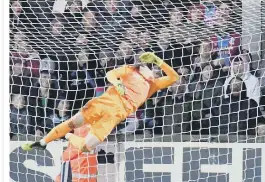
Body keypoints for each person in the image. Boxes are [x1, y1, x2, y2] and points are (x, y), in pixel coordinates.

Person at [22, 52, 179, 152]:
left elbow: (174, 78)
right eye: (144, 64)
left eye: (149, 66)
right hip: (102, 104)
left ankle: (68, 137)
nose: (145, 66)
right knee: (72, 122)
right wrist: (117, 83)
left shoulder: (153, 85)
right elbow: (111, 74)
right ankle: (43, 142)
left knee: (85, 147)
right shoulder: (130, 70)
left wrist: (158, 61)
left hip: (113, 118)